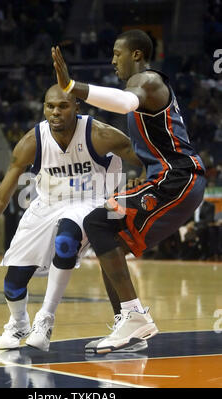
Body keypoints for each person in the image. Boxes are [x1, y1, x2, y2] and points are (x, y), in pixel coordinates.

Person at [0, 84, 144, 352]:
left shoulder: (99, 134)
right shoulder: (31, 141)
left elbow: (144, 160)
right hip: (46, 204)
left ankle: (45, 319)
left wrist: (138, 183)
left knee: (66, 239)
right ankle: (19, 323)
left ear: (77, 107)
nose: (55, 112)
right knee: (14, 282)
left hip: (92, 201)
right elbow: (1, 198)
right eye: (50, 106)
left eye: (63, 106)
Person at [51, 29, 206, 354]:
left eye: (116, 53)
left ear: (136, 54)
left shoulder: (148, 81)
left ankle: (134, 315)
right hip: (171, 180)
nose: (112, 60)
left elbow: (123, 103)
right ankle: (128, 326)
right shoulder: (142, 91)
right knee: (111, 244)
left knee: (96, 220)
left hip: (178, 178)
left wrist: (71, 86)